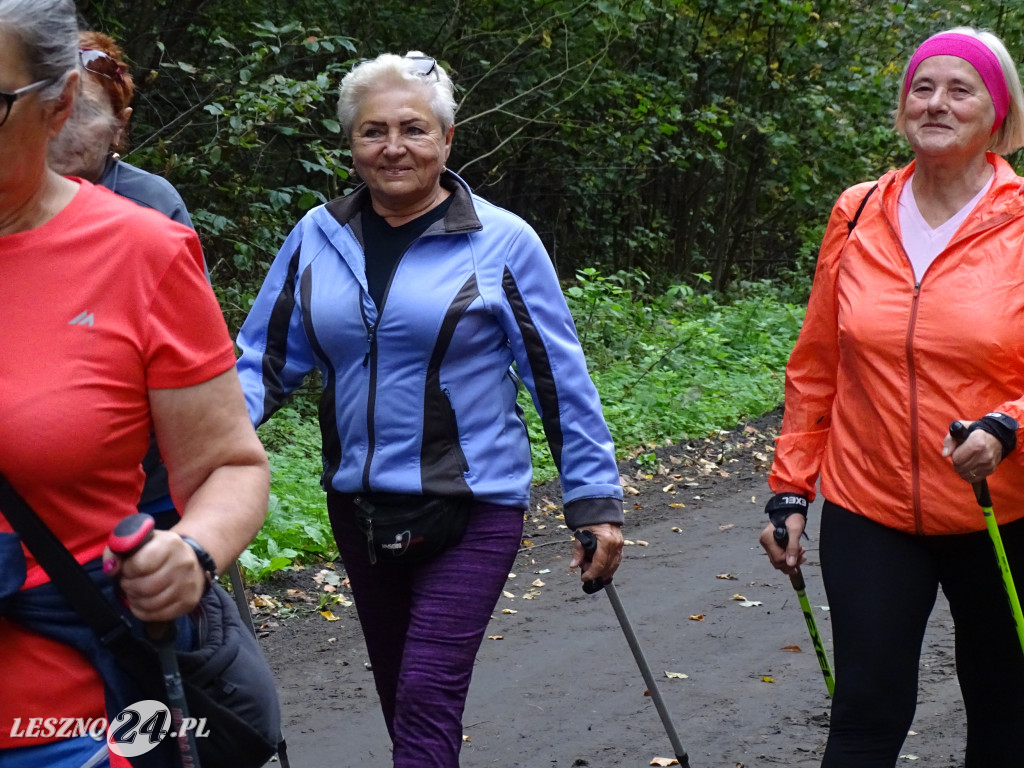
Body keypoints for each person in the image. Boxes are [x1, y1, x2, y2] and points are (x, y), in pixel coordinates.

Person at [235, 51, 624, 767]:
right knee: (400, 696)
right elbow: (260, 364)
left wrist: (593, 498)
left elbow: (557, 377)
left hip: (472, 505)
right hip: (358, 506)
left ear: (447, 138)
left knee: (424, 694)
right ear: (350, 143)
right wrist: (200, 447)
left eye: (413, 128)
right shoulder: (315, 237)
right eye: (372, 130)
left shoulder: (504, 241)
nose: (392, 147)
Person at [0, 2, 270, 767]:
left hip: (67, 731)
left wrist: (189, 554)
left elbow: (230, 466)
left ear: (55, 106)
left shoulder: (141, 251)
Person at [760, 26, 1024, 768]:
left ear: (997, 115)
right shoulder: (857, 208)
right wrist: (790, 490)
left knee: (1006, 719)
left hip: (1002, 509)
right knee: (864, 718)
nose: (935, 103)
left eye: (959, 89)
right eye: (922, 87)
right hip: (869, 505)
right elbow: (817, 363)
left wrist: (1008, 425)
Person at [48, 30, 196, 531]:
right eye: (53, 105)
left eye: (85, 112)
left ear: (120, 127)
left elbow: (188, 353)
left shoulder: (152, 206)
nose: (65, 127)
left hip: (143, 486)